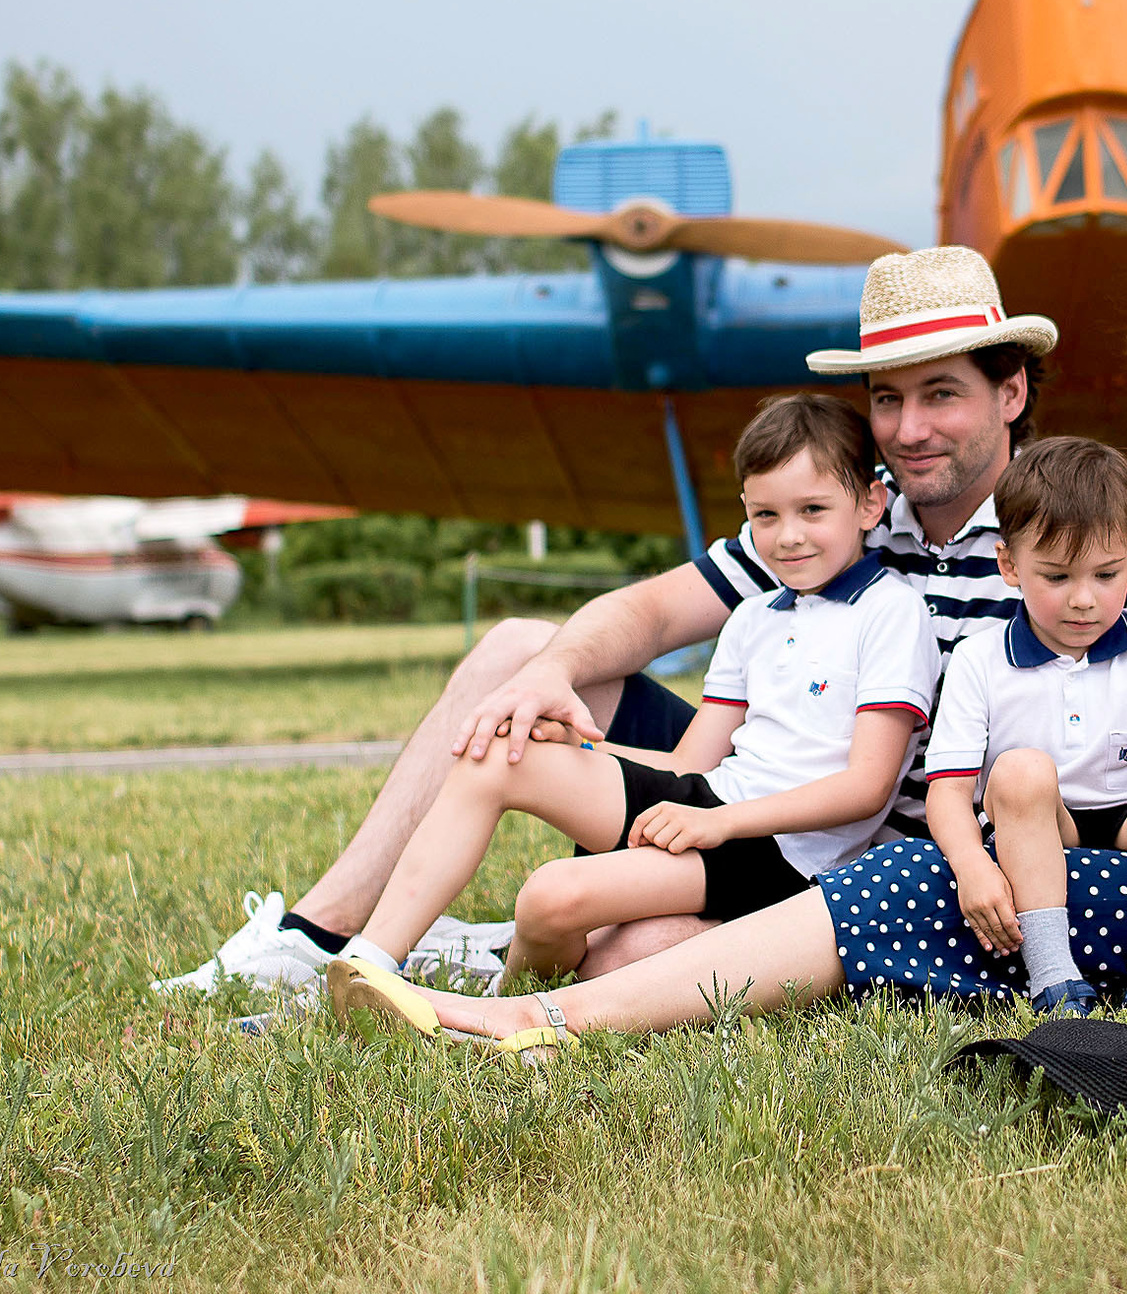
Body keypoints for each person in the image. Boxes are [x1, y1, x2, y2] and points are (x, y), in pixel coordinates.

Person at [328, 270, 1127, 1051]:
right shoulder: (1115, 549)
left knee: (900, 877)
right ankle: (340, 941)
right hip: (1061, 835)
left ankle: (532, 1018)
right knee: (535, 660)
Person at [154, 246, 1056, 995]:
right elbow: (659, 609)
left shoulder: (1055, 545)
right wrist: (554, 682)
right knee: (522, 652)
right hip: (749, 786)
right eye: (888, 399)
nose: (907, 428)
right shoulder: (834, 513)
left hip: (867, 858)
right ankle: (322, 933)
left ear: (1010, 393)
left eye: (941, 394)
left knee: (633, 956)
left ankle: (485, 948)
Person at [329, 394, 939, 982]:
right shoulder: (754, 618)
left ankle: (502, 992)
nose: (787, 537)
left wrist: (724, 825)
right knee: (499, 752)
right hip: (712, 803)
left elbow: (867, 787)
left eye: (812, 510)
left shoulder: (892, 612)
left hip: (787, 858)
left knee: (547, 898)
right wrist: (576, 746)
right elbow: (688, 763)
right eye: (765, 515)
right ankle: (368, 964)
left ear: (868, 504)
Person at [924, 437, 1127, 1022]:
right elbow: (948, 791)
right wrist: (973, 866)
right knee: (1021, 768)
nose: (1083, 600)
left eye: (1106, 575)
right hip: (1043, 824)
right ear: (1010, 565)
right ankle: (1053, 977)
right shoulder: (979, 659)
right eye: (1055, 576)